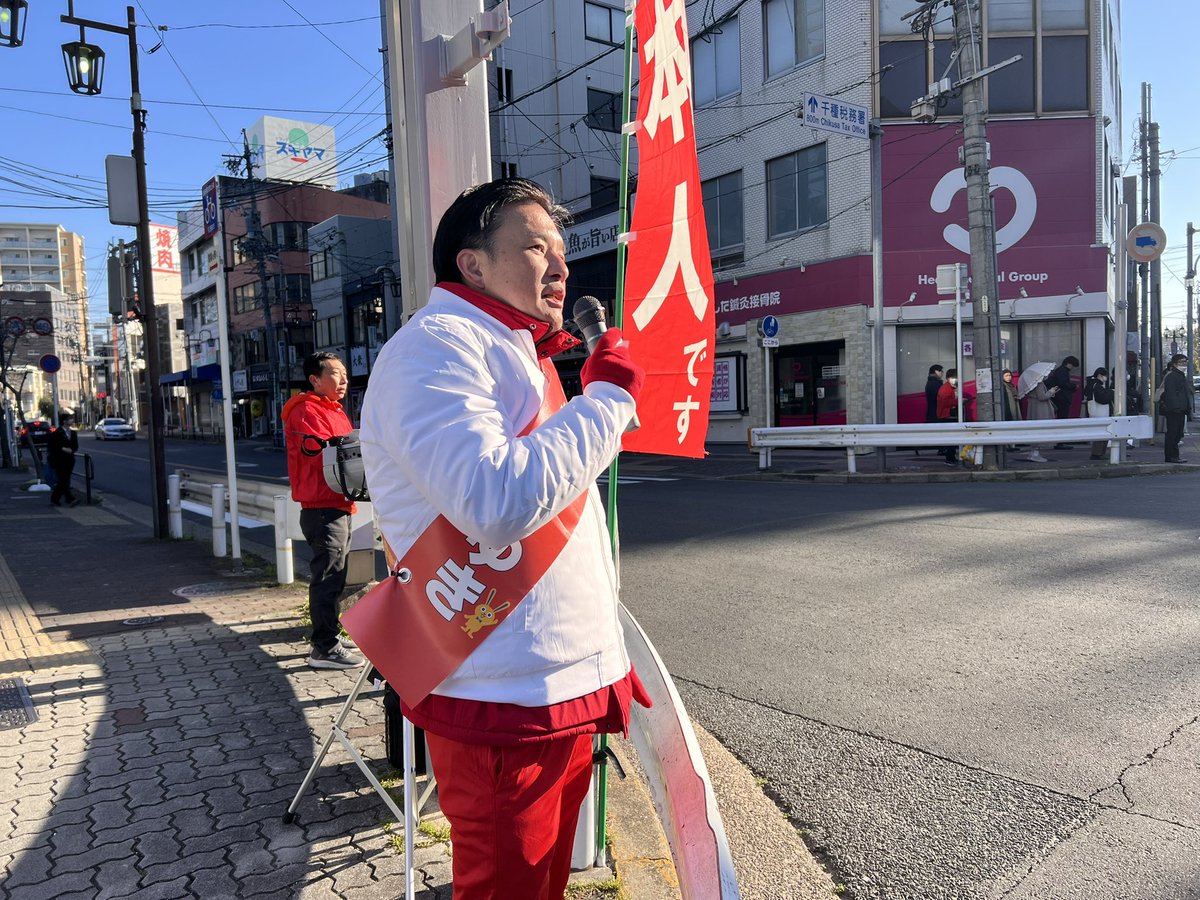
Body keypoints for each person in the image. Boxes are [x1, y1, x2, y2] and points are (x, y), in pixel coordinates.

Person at [359, 177, 649, 899]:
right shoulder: (435, 347)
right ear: (474, 265)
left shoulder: (519, 350)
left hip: (552, 689)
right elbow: (495, 500)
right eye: (533, 247)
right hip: (500, 702)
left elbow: (563, 521)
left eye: (561, 250)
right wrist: (608, 400)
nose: (560, 266)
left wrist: (602, 654)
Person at [282, 352, 364, 670]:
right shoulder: (306, 410)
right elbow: (330, 453)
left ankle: (329, 635)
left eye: (344, 373)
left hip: (336, 502)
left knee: (336, 574)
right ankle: (324, 648)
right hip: (322, 505)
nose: (343, 380)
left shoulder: (332, 409)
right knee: (328, 576)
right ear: (314, 379)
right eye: (335, 373)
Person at [1160, 353, 1191, 463]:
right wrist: (1176, 407)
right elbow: (1171, 394)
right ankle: (1170, 456)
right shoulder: (1172, 376)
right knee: (1173, 433)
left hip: (1180, 409)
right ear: (1174, 364)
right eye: (1181, 362)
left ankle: (1174, 456)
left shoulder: (1181, 375)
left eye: (1185, 362)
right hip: (1174, 410)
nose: (1184, 364)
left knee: (1178, 433)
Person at [47, 410, 80, 507]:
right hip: (59, 460)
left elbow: (75, 446)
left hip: (70, 460)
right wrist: (63, 449)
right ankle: (70, 499)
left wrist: (72, 450)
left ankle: (55, 499)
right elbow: (52, 446)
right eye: (70, 419)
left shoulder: (73, 433)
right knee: (64, 479)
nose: (72, 421)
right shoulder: (57, 433)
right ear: (64, 421)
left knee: (65, 480)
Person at [1023, 376, 1059, 462]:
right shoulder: (1039, 383)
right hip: (1040, 407)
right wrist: (1051, 391)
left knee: (1034, 430)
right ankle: (1035, 453)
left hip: (1033, 407)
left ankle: (1033, 453)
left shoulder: (1032, 383)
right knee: (1040, 430)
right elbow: (1042, 396)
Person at [1083, 367, 1114, 459]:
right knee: (1102, 433)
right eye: (1105, 376)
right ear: (1100, 375)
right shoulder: (1097, 385)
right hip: (1100, 412)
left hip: (1094, 411)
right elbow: (1102, 399)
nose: (1106, 378)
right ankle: (1097, 454)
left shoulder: (1091, 384)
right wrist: (1111, 392)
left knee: (1100, 433)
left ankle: (1098, 453)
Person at [935, 368, 960, 464]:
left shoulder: (951, 387)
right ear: (949, 378)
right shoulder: (946, 388)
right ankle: (950, 459)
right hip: (947, 416)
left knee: (952, 439)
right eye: (956, 377)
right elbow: (945, 402)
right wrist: (959, 401)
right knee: (951, 439)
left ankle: (951, 458)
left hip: (949, 415)